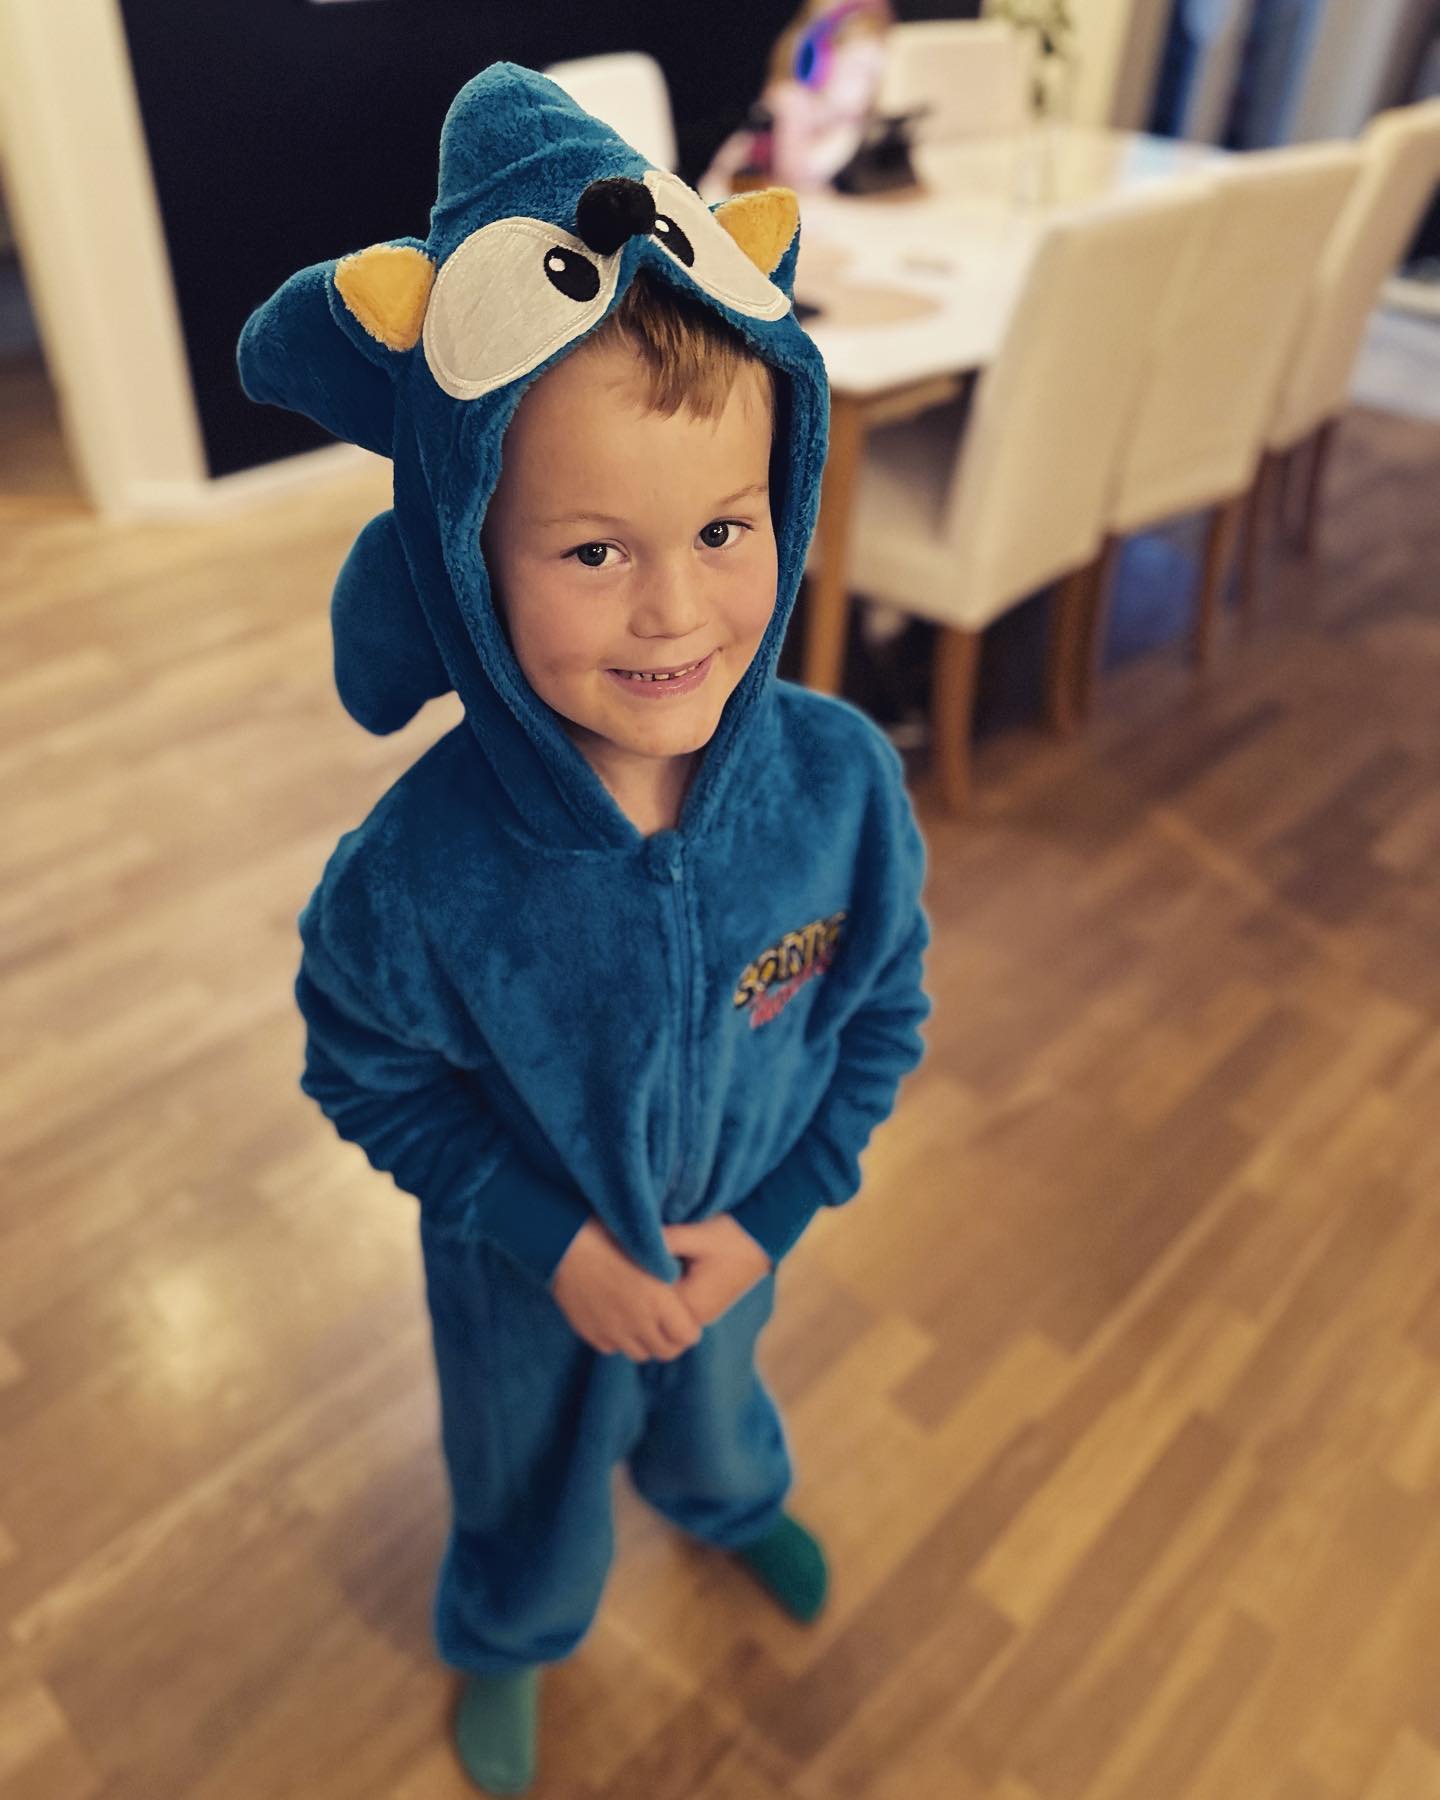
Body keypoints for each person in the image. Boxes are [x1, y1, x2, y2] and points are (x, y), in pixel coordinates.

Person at [237, 61, 932, 1798]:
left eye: (724, 527)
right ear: (468, 554)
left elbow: (880, 1016)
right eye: (594, 553)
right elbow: (364, 1068)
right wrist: (550, 1241)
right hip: (523, 1281)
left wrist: (767, 1221)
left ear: (786, 496)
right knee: (523, 1482)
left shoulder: (843, 787)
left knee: (719, 1413)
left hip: (732, 1251)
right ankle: (512, 1627)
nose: (678, 611)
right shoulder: (416, 876)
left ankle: (726, 1503)